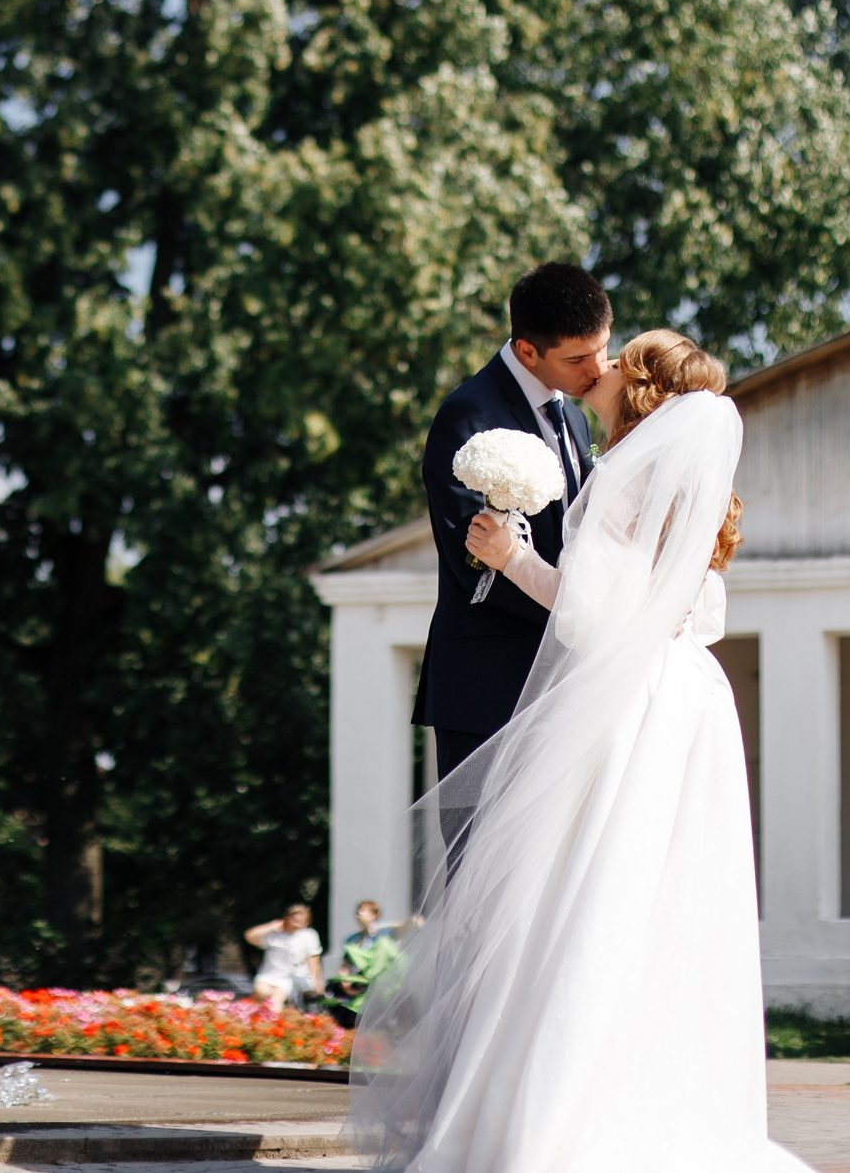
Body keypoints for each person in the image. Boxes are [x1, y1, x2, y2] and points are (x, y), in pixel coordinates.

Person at [349, 331, 808, 1173]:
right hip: (688, 699)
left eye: (622, 357)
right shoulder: (691, 487)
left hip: (626, 703)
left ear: (638, 387)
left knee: (581, 897)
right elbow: (698, 614)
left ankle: (555, 1115)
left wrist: (512, 557)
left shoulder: (623, 475)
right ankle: (640, 1104)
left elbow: (592, 619)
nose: (603, 364)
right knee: (646, 902)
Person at [412, 264, 610, 785]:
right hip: (489, 687)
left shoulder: (574, 417)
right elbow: (471, 558)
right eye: (577, 359)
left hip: (566, 684)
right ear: (527, 351)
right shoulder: (467, 415)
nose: (598, 369)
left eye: (602, 349)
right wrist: (577, 609)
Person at [322, 899, 403, 1028]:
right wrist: (345, 983)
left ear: (374, 914)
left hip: (378, 989)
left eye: (362, 911)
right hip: (356, 989)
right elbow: (345, 963)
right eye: (357, 911)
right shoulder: (352, 939)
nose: (358, 915)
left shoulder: (384, 935)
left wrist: (383, 925)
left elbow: (408, 926)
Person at [244, 903, 323, 1011]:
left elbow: (313, 959)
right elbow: (250, 936)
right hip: (267, 975)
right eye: (296, 919)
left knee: (275, 1004)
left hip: (288, 978)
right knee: (262, 993)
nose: (299, 923)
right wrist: (271, 926)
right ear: (287, 917)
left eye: (303, 920)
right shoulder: (274, 935)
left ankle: (273, 1020)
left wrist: (317, 982)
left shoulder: (308, 935)